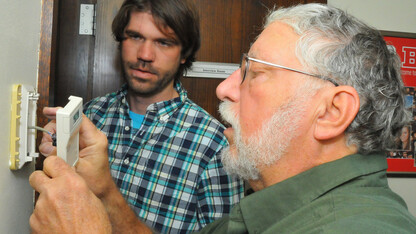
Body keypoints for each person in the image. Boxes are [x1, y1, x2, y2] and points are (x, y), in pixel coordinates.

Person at [30, 3, 416, 233]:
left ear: (332, 112)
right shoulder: (266, 207)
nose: (224, 89)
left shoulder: (362, 228)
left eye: (255, 72)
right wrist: (104, 190)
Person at [38, 0, 243, 233]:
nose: (145, 55)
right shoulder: (91, 116)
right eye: (135, 37)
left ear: (184, 53)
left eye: (164, 42)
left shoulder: (215, 147)